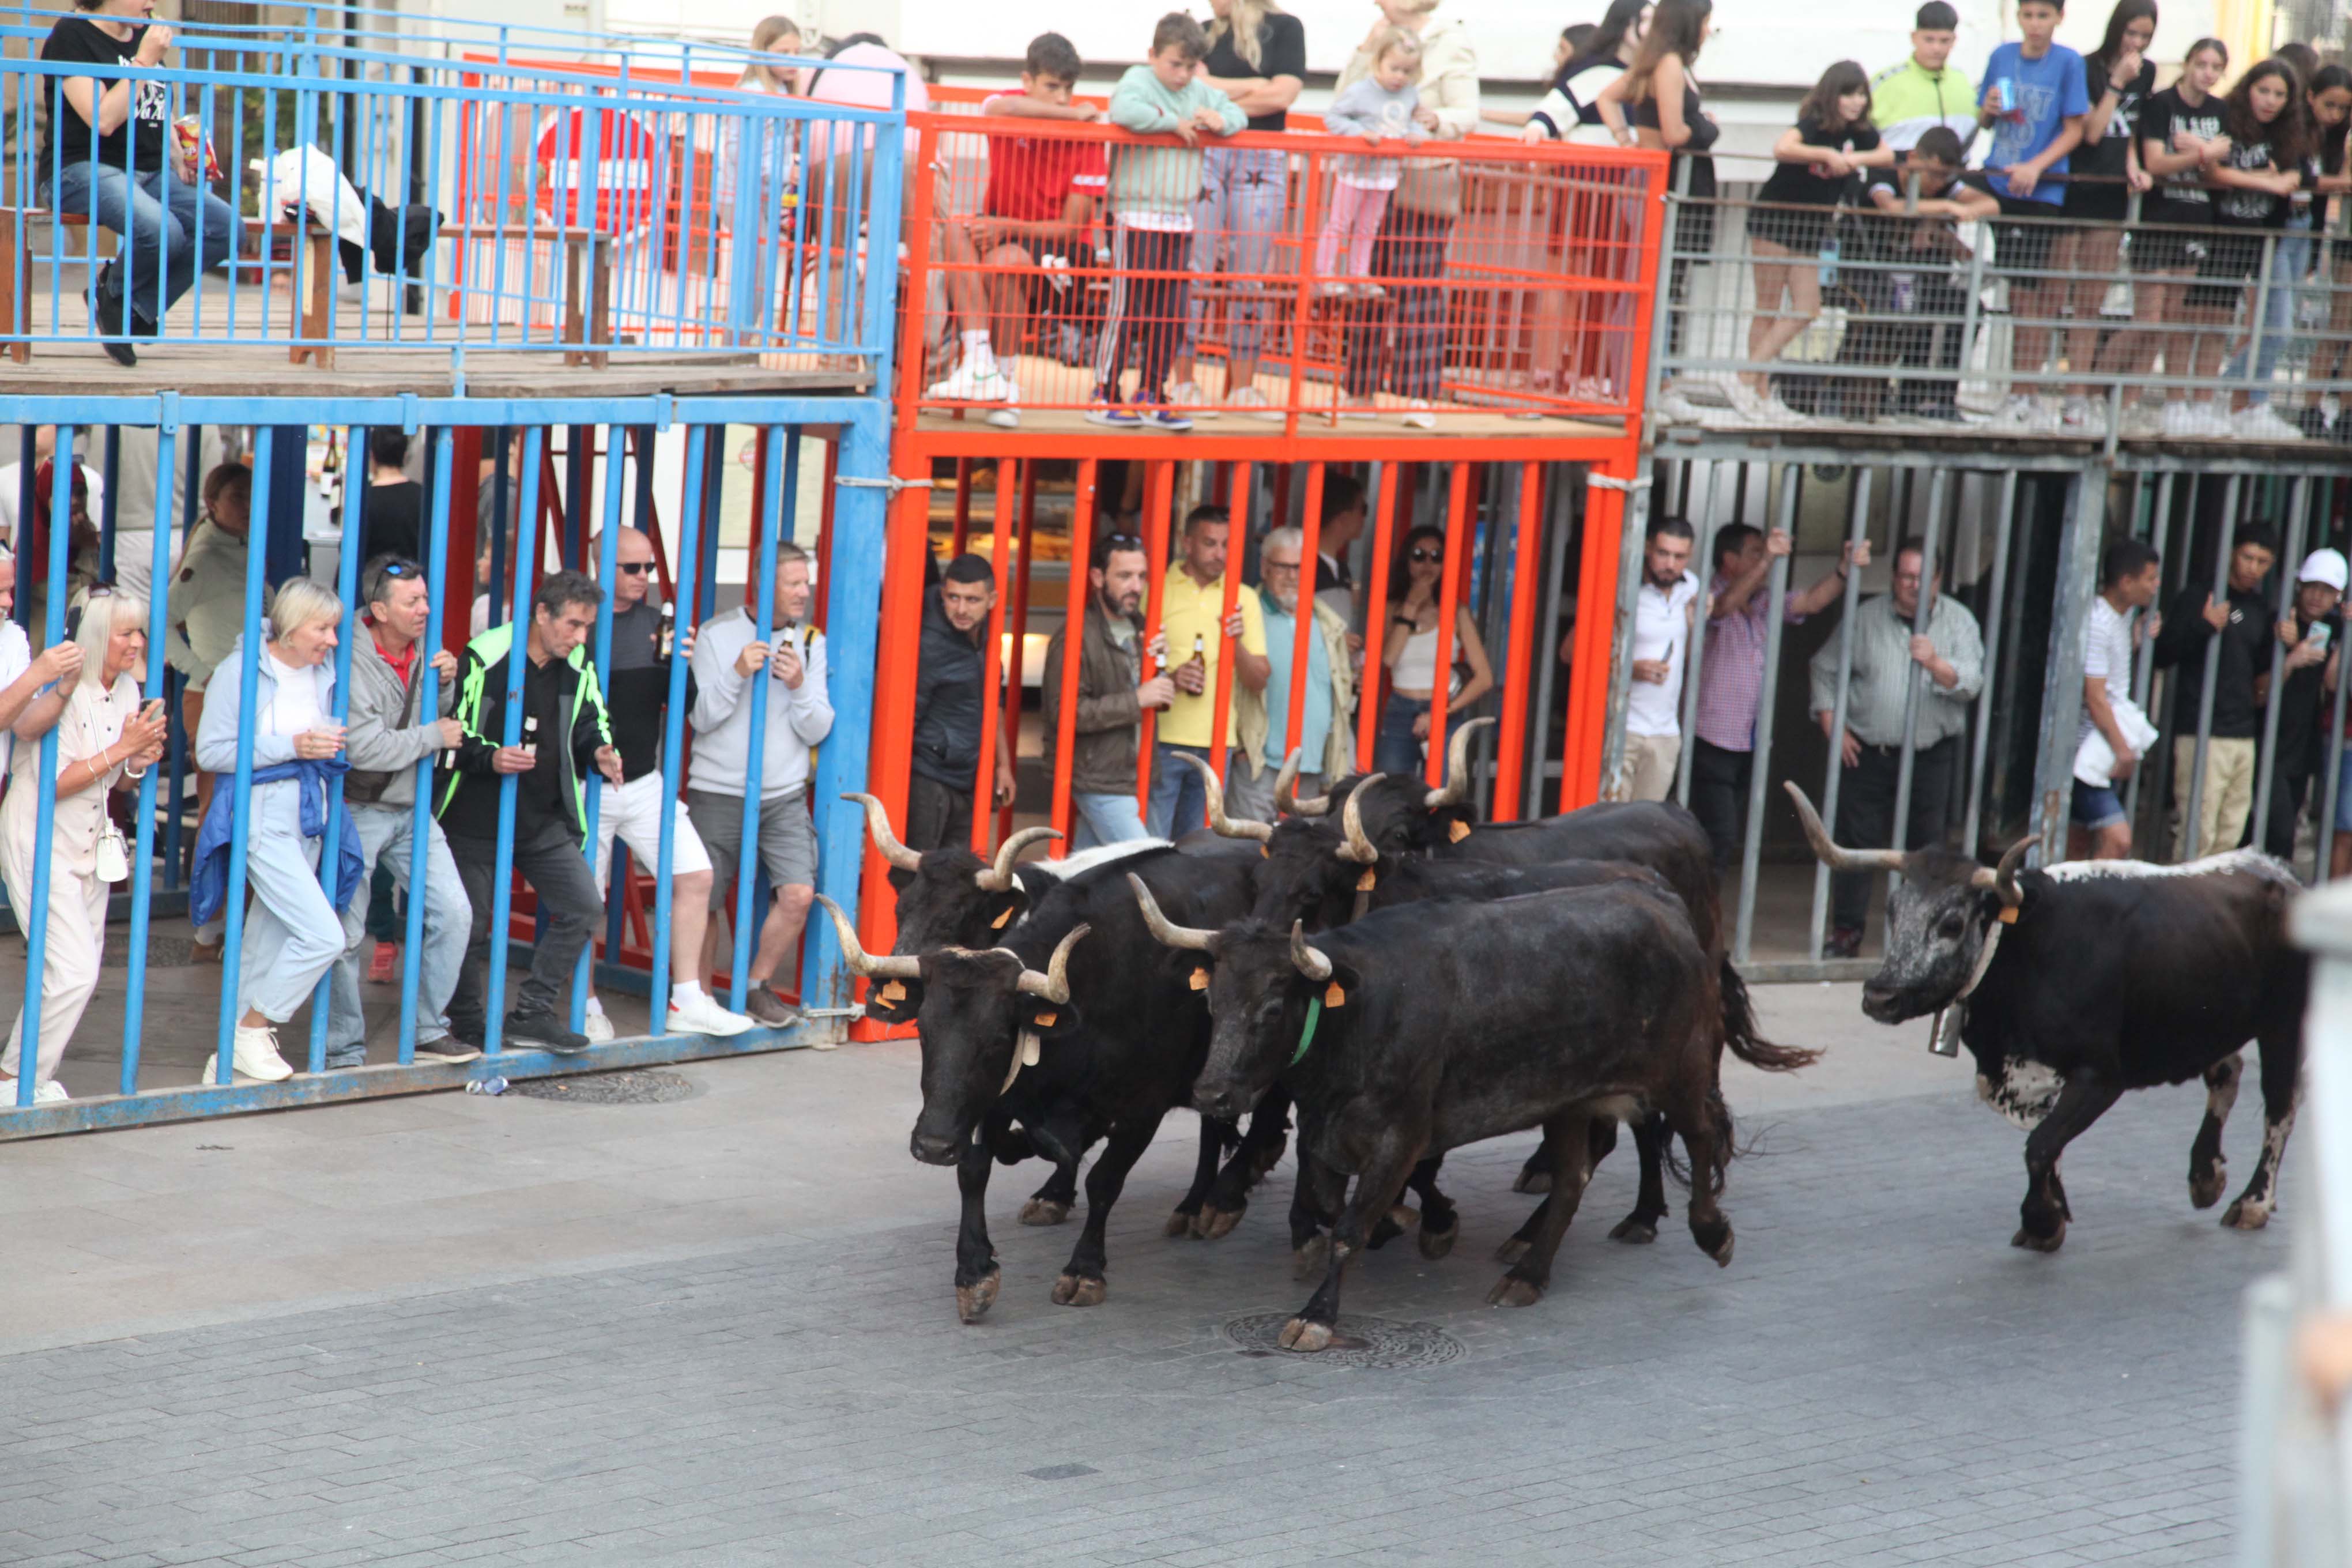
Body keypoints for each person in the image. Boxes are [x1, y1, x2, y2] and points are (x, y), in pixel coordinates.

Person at [435, 569, 624, 1056]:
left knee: (584, 907)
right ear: (542, 613)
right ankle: (467, 1022)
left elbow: (591, 720)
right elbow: (451, 731)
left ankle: (533, 1013)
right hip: (473, 816)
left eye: (587, 627)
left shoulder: (577, 661)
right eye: (574, 624)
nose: (581, 638)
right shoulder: (487, 653)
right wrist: (491, 757)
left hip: (542, 816)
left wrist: (600, 751)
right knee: (471, 925)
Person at [579, 529, 752, 1041]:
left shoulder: (660, 625)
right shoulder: (581, 623)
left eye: (649, 568)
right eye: (632, 568)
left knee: (696, 876)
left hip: (643, 781)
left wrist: (681, 666)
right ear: (601, 566)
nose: (644, 578)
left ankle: (688, 1000)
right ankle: (584, 1003)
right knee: (585, 899)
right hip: (585, 784)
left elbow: (685, 705)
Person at [193, 577, 365, 1083]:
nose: (332, 640)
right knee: (323, 936)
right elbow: (211, 751)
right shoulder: (240, 671)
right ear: (291, 628)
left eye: (335, 629)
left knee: (266, 942)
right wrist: (292, 746)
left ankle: (227, 1059)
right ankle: (253, 1029)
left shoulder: (322, 670)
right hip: (263, 816)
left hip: (310, 814)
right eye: (323, 628)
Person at [0, 589, 161, 1103]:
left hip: (90, 844)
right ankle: (14, 1078)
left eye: (139, 632)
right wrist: (124, 749)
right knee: (73, 971)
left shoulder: (127, 689)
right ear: (96, 636)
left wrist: (137, 761)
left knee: (73, 974)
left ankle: (25, 1077)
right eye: (125, 633)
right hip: (39, 839)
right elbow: (55, 784)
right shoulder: (62, 691)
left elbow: (116, 782)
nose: (137, 643)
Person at [321, 556, 478, 1068]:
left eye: (426, 598)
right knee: (345, 935)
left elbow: (432, 716)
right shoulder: (352, 658)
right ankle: (342, 1047)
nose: (426, 609)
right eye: (413, 601)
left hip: (411, 808)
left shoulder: (424, 647)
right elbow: (364, 747)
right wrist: (434, 736)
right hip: (359, 808)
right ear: (380, 610)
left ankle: (428, 1029)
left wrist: (447, 685)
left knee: (454, 914)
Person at [1807, 536, 1986, 956]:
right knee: (1856, 845)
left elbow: (1972, 684)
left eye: (1922, 577)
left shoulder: (1959, 622)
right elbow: (1824, 668)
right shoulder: (1865, 618)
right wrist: (1832, 724)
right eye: (1905, 576)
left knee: (1927, 849)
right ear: (1893, 577)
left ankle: (1919, 935)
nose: (1912, 585)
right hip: (1869, 752)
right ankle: (1847, 932)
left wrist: (1935, 663)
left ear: (1938, 579)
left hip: (1931, 755)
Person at [38, 0, 242, 365]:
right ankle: (118, 299)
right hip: (82, 168)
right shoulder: (72, 35)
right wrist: (144, 61)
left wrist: (181, 156)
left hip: (149, 170)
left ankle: (131, 306)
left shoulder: (141, 34)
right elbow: (102, 120)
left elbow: (158, 108)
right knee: (163, 230)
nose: (151, 4)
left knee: (226, 227)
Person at [687, 542, 832, 1029]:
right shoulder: (717, 634)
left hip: (783, 793)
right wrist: (736, 674)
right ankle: (700, 1000)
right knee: (703, 899)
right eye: (794, 583)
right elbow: (701, 718)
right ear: (763, 583)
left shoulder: (810, 641)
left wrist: (799, 687)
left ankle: (756, 987)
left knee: (798, 894)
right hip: (717, 789)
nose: (804, 592)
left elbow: (818, 728)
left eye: (805, 582)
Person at [1091, 13, 1246, 432]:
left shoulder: (1199, 90)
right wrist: (1172, 123)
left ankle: (1153, 391)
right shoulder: (1138, 80)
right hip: (1133, 213)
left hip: (1179, 218)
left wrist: (1222, 121)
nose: (1182, 75)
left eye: (1190, 67)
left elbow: (1235, 113)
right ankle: (1104, 391)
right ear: (1153, 55)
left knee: (1172, 312)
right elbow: (1124, 110)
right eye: (1175, 64)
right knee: (1128, 308)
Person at [1335, 0, 1478, 431]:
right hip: (1371, 177)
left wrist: (1435, 120)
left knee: (1419, 290)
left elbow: (1467, 112)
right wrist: (1366, 49)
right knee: (1366, 281)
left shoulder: (1450, 41)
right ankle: (1358, 390)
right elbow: (1343, 101)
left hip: (1422, 178)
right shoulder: (1379, 35)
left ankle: (1419, 396)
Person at [1690, 524, 1867, 869]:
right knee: (1717, 833)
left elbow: (1812, 602)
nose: (1766, 559)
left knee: (1724, 832)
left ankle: (1706, 894)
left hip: (1750, 738)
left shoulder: (1763, 600)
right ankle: (1701, 897)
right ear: (1730, 560)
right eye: (1756, 553)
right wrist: (1768, 559)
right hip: (1712, 737)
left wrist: (1844, 569)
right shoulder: (1707, 596)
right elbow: (1723, 608)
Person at [1175, 0, 1307, 420]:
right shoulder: (1201, 31)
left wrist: (1216, 97)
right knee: (1192, 267)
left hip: (1261, 156)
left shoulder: (1286, 28)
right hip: (1205, 153)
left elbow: (1282, 95)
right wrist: (1254, 86)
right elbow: (1189, 93)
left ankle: (1244, 387)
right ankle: (1183, 382)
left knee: (1251, 272)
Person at [1738, 62, 1891, 421]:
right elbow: (1783, 147)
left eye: (1861, 95)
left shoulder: (1859, 132)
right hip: (1776, 218)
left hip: (1811, 227)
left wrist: (1853, 158)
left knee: (1807, 308)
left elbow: (1887, 155)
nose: (1856, 102)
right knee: (1768, 306)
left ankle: (1747, 378)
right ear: (1832, 94)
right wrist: (1824, 154)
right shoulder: (1815, 124)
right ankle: (1756, 391)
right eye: (1848, 94)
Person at [971, 35, 1109, 405]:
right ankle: (975, 361)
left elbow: (1070, 230)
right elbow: (1003, 108)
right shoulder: (1008, 106)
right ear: (1027, 81)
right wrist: (1072, 115)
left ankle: (1003, 381)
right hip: (1006, 232)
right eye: (1052, 87)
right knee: (953, 236)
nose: (1062, 98)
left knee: (1004, 263)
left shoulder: (1088, 139)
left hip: (1063, 248)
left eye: (1069, 89)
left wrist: (1005, 227)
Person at [1977, 0, 2090, 434]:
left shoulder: (2069, 62)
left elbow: (2075, 129)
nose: (2035, 24)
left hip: (2041, 189)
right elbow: (1985, 120)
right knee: (2019, 295)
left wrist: (2037, 166)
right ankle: (2020, 393)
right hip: (2000, 180)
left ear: (2059, 17)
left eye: (2043, 16)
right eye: (2028, 15)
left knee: (2035, 297)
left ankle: (2025, 393)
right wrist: (1988, 108)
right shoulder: (2001, 56)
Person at [165, 459, 258, 962]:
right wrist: (202, 673)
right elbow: (159, 621)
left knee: (252, 814)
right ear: (212, 504)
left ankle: (239, 927)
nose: (247, 506)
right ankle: (208, 929)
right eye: (237, 498)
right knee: (218, 815)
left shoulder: (249, 547)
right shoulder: (204, 557)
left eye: (252, 496)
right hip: (211, 700)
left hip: (253, 697)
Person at [2051, 0, 2155, 437]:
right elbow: (2092, 132)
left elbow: (2131, 129)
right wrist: (2116, 83)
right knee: (2054, 295)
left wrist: (2134, 165)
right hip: (2076, 188)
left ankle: (2078, 397)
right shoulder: (2087, 66)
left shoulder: (2147, 73)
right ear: (2116, 29)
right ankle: (2034, 392)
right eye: (2131, 33)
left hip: (2112, 196)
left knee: (2091, 303)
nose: (2136, 44)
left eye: (2145, 37)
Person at [1847, 127, 1998, 419]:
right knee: (1883, 313)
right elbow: (1890, 206)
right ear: (1914, 158)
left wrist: (1933, 221)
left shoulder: (1946, 186)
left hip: (1920, 279)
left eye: (1944, 178)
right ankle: (1862, 397)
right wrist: (1944, 208)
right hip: (1869, 273)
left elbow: (1990, 205)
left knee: (1964, 306)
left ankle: (1936, 399)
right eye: (1933, 175)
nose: (1937, 183)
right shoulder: (1886, 172)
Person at [2199, 61, 2310, 441]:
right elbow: (2212, 171)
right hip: (2223, 236)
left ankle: (2239, 396)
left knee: (2278, 327)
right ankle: (2208, 403)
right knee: (2211, 325)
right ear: (2248, 88)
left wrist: (2266, 180)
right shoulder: (2225, 119)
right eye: (2264, 91)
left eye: (2280, 95)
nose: (2270, 101)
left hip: (2267, 240)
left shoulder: (2289, 133)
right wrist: (2265, 180)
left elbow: (2296, 176)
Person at [1041, 532, 1173, 850]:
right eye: (1124, 576)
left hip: (1130, 774)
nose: (1136, 586)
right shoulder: (1074, 637)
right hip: (1099, 777)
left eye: (1141, 576)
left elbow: (1146, 691)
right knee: (1149, 861)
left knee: (1089, 868)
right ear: (1098, 578)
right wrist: (1138, 699)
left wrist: (1162, 670)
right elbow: (1066, 713)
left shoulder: (1142, 627)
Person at [2155, 526, 2279, 861]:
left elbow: (2262, 671)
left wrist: (2286, 645)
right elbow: (2162, 654)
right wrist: (2205, 625)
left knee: (2230, 834)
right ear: (2232, 552)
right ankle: (2184, 895)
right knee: (2197, 834)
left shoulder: (2261, 608)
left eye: (2263, 562)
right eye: (2248, 557)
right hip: (2202, 730)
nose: (2253, 568)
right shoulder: (2200, 596)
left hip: (2243, 733)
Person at [2130, 37, 2230, 438]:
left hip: (2196, 221)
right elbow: (2156, 163)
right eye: (2201, 64)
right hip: (2159, 220)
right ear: (2187, 64)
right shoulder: (2162, 104)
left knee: (2174, 321)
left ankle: (2167, 403)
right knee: (2149, 321)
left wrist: (2197, 152)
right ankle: (2115, 396)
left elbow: (2222, 167)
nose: (2207, 73)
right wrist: (2204, 153)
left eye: (2216, 67)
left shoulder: (2220, 111)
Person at [1150, 503, 1268, 836]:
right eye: (1210, 543)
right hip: (1161, 738)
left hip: (1218, 743)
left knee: (1198, 848)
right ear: (1187, 543)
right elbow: (1131, 667)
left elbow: (1259, 680)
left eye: (1226, 545)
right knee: (1151, 846)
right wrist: (1172, 678)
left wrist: (1237, 642)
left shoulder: (1243, 597)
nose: (1220, 553)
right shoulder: (1157, 590)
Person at [1232, 525, 1356, 823]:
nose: (1292, 576)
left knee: (1301, 850)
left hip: (1310, 767)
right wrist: (1240, 749)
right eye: (1282, 567)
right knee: (1247, 847)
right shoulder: (1247, 614)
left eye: (1299, 567)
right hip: (1258, 765)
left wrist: (1331, 765)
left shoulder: (1328, 624)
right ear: (1264, 568)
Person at [907, 552, 1017, 853]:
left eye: (972, 600)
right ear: (943, 595)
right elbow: (907, 718)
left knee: (957, 874)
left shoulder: (985, 634)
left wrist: (1003, 765)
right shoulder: (929, 644)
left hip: (968, 777)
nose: (961, 609)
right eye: (953, 598)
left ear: (992, 601)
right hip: (928, 779)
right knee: (919, 871)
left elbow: (993, 701)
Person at [1314, 30, 1427, 301]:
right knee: (1340, 224)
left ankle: (1359, 275)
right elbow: (1333, 118)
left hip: (1385, 174)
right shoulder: (1359, 91)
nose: (1400, 76)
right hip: (1355, 171)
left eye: (1407, 71)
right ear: (1378, 62)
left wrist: (1416, 134)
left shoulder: (1410, 94)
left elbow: (1413, 121)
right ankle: (1324, 274)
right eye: (1394, 68)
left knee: (1368, 227)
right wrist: (1360, 134)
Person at [1375, 525, 1494, 778]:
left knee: (1441, 792)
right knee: (1392, 791)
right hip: (1400, 709)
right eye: (1419, 556)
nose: (1427, 564)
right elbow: (1388, 659)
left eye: (1437, 557)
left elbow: (1484, 678)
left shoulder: (1456, 612)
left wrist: (1440, 713)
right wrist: (1411, 606)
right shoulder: (1391, 608)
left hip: (1443, 709)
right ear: (1406, 561)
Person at [2073, 537, 2162, 861]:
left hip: (2098, 745)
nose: (2156, 586)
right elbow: (2096, 697)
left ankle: (2071, 894)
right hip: (2087, 749)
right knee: (2118, 840)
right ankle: (2099, 894)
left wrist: (2137, 637)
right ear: (2126, 582)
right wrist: (2123, 751)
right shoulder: (2099, 622)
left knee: (2077, 842)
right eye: (2150, 578)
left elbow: (2109, 675)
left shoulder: (2120, 616)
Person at [2264, 548, 2343, 861]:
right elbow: (2260, 686)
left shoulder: (2337, 628)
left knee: (2286, 832)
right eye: (2312, 586)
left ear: (2338, 596)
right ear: (2299, 585)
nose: (2317, 596)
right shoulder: (2278, 622)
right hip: (2266, 737)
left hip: (2303, 744)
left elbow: (2333, 683)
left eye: (2327, 590)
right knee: (2275, 828)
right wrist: (2290, 656)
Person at [1623, 517, 1698, 802]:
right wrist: (1629, 669)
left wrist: (1695, 626)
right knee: (1609, 822)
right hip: (1622, 728)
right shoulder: (1624, 588)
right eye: (1663, 554)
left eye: (1679, 557)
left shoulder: (1691, 586)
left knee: (1646, 824)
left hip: (1666, 733)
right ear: (1647, 548)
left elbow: (1690, 656)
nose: (1670, 564)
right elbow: (1572, 654)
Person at [2302, 65, 2352, 438]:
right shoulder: (2342, 138)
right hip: (2348, 240)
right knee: (2340, 324)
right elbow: (2343, 181)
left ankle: (2347, 412)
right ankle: (2311, 406)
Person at [1522, 0, 1646, 143]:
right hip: (1593, 156)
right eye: (1644, 20)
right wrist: (1537, 128)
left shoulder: (1651, 75)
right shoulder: (1596, 72)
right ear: (1624, 24)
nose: (1651, 29)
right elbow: (1551, 112)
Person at [1869, 2, 1978, 152]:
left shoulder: (1962, 81)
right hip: (1895, 166)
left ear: (1954, 40)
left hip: (1954, 166)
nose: (1936, 48)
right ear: (1914, 38)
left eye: (1944, 41)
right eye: (1929, 39)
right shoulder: (1885, 82)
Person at [356, 428, 423, 566]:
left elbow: (352, 550)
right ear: (405, 456)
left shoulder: (363, 498)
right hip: (412, 576)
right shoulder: (422, 495)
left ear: (372, 455)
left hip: (371, 577)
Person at [1314, 473, 1367, 620]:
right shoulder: (1300, 565)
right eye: (1363, 510)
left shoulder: (1342, 569)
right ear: (1343, 518)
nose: (1364, 518)